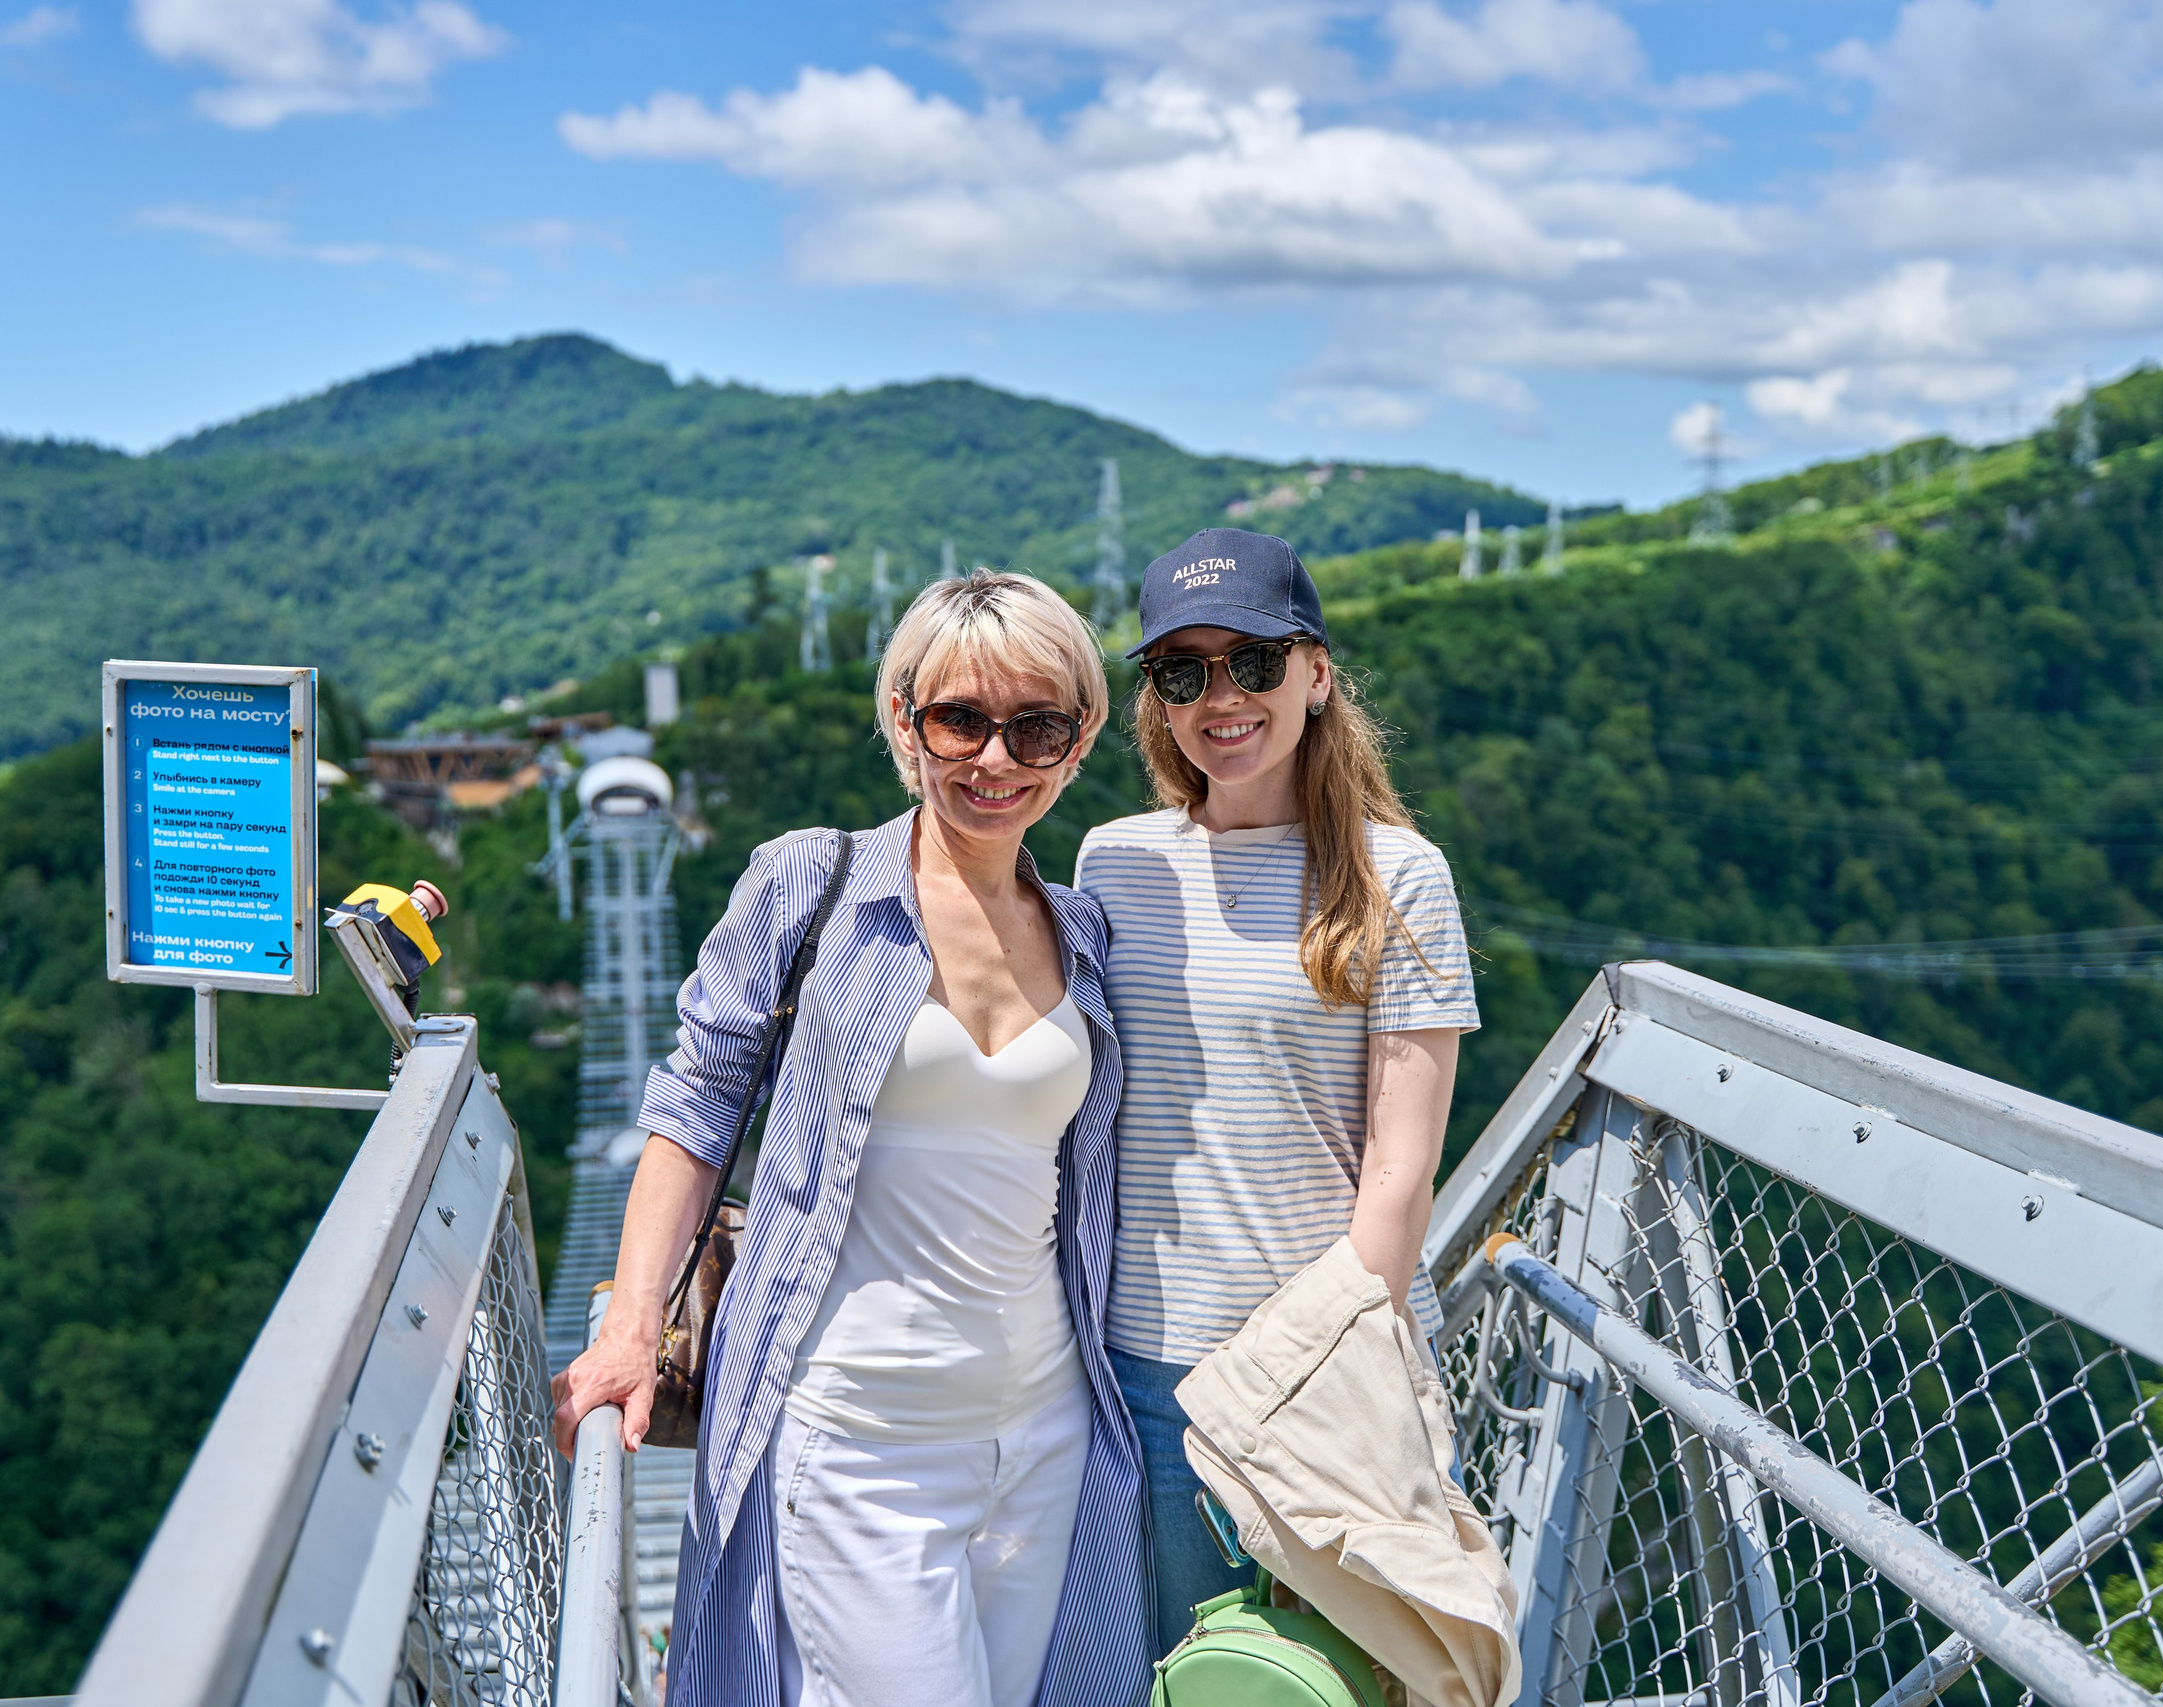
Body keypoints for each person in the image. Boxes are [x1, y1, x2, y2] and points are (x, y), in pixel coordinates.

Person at [551, 571, 1150, 1707]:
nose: (994, 758)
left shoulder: (1082, 931)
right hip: (858, 1432)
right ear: (902, 720)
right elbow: (695, 1105)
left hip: (1045, 1430)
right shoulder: (810, 885)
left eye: (1036, 727)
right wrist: (629, 1331)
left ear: (1077, 748)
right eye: (959, 719)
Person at [1074, 527, 1479, 1659]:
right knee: (1191, 1678)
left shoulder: (1398, 876)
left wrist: (1321, 1369)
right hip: (1143, 1376)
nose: (1222, 697)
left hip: (1318, 1379)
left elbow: (1402, 1171)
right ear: (1155, 696)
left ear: (1313, 673)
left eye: (1252, 661)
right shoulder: (1115, 863)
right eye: (1182, 672)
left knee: (1335, 1681)